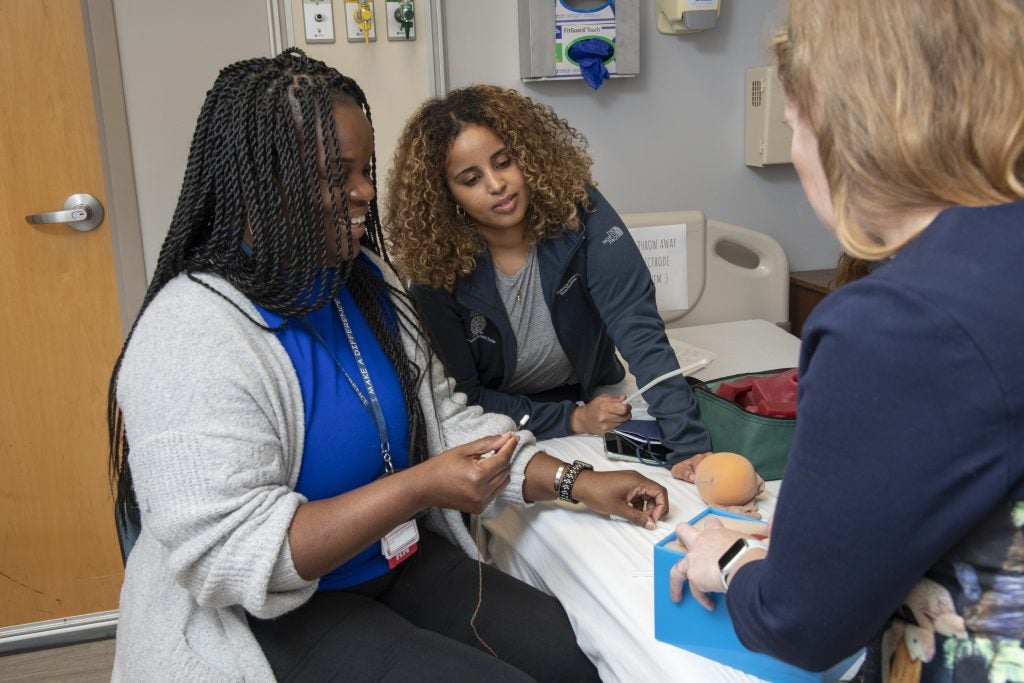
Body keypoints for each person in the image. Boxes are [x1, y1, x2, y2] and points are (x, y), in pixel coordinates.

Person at [106, 49, 671, 681]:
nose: (365, 191)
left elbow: (446, 422)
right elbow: (230, 557)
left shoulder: (366, 282)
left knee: (582, 659)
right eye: (337, 173)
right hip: (276, 616)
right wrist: (420, 486)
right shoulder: (189, 334)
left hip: (399, 562)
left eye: (366, 168)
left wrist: (576, 482)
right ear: (262, 184)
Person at [668, 1, 1024, 681]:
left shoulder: (897, 324)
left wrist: (731, 559)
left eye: (793, 127)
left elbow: (800, 622)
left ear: (839, 119)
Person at [384, 85, 711, 464]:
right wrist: (572, 418)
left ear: (526, 157)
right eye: (471, 179)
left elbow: (636, 325)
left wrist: (688, 444)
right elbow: (465, 399)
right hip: (505, 417)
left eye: (504, 161)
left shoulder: (580, 213)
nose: (496, 184)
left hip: (593, 387)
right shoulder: (435, 270)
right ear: (446, 195)